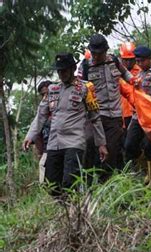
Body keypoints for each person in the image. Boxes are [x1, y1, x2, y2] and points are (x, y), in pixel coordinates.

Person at [23, 53, 108, 197]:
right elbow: (41, 115)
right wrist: (30, 136)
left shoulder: (85, 88)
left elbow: (95, 118)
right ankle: (62, 214)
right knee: (52, 184)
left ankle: (74, 212)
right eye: (59, 71)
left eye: (64, 70)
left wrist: (101, 143)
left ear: (73, 68)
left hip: (74, 142)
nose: (61, 74)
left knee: (70, 182)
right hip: (54, 143)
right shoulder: (52, 90)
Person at [78, 34, 135, 179]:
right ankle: (88, 180)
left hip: (115, 115)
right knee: (91, 145)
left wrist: (133, 80)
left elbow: (125, 73)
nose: (97, 57)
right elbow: (79, 88)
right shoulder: (85, 66)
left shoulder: (114, 61)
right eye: (94, 53)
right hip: (95, 115)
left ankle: (106, 181)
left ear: (105, 51)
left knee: (112, 150)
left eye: (100, 53)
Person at [123, 45, 151, 185]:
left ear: (149, 59)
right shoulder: (137, 75)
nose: (140, 63)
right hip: (138, 115)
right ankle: (145, 170)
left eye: (142, 61)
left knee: (150, 146)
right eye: (138, 61)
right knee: (129, 144)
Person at [26, 80, 52, 183]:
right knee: (43, 165)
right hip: (47, 149)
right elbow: (37, 130)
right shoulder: (42, 111)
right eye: (43, 94)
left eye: (48, 93)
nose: (45, 96)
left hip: (63, 145)